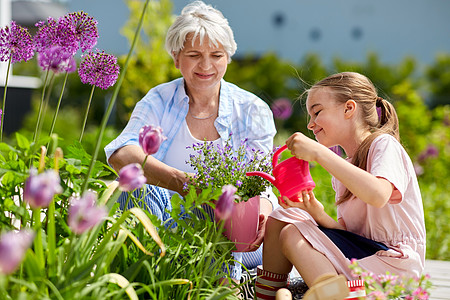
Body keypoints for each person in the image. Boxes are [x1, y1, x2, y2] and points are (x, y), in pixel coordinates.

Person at [104, 0, 277, 288]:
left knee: (220, 208)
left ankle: (221, 286)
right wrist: (185, 183)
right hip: (164, 224)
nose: (206, 66)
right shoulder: (160, 99)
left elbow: (261, 180)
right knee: (134, 185)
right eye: (194, 55)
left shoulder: (252, 109)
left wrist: (262, 208)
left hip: (234, 235)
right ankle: (150, 280)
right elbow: (122, 153)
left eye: (217, 55)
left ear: (228, 58)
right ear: (176, 58)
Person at [255, 72, 426, 300]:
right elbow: (349, 234)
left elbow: (378, 194)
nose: (310, 123)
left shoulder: (383, 145)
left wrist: (319, 153)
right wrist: (317, 214)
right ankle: (269, 294)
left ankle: (333, 294)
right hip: (364, 256)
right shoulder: (344, 167)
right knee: (281, 216)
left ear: (348, 109)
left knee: (292, 233)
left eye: (317, 112)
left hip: (394, 264)